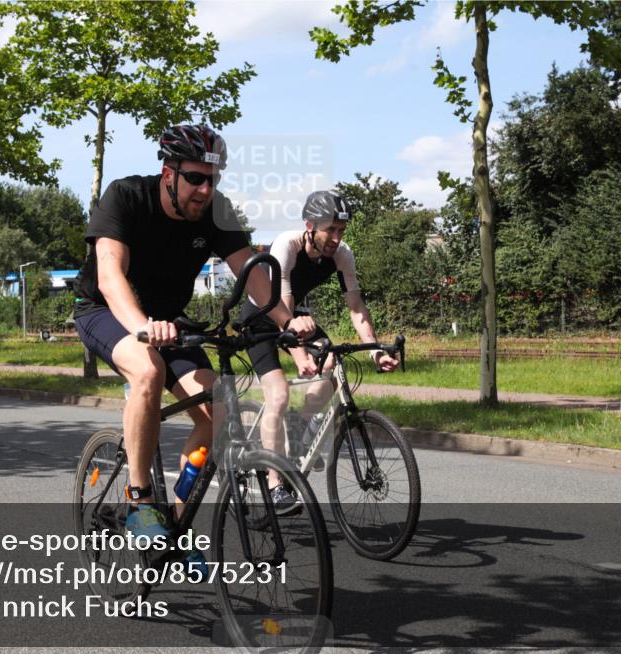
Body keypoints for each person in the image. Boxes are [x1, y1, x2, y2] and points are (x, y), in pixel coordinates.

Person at [73, 124, 316, 572]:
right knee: (147, 371)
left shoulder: (215, 212)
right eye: (195, 178)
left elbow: (253, 275)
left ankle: (175, 531)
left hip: (171, 322)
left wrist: (288, 322)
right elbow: (110, 275)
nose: (205, 189)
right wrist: (143, 326)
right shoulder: (126, 197)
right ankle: (140, 500)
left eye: (213, 179)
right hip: (105, 311)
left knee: (220, 409)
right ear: (169, 173)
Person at [238, 191, 399, 513]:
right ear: (310, 225)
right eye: (331, 230)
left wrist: (375, 350)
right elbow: (280, 301)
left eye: (342, 230)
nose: (337, 238)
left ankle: (301, 424)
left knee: (333, 363)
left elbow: (356, 308)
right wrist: (300, 356)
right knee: (279, 395)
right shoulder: (287, 244)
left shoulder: (342, 254)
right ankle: (274, 486)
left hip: (296, 317)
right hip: (262, 318)